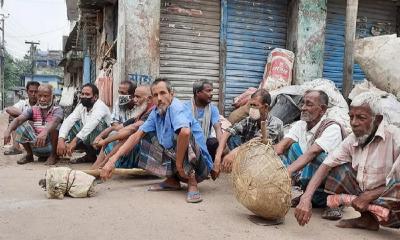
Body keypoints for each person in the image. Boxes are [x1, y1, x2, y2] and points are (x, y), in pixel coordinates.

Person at [295, 92, 400, 231]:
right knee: (337, 169)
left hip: (392, 201)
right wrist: (306, 198)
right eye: (351, 117)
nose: (354, 123)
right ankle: (367, 220)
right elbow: (326, 165)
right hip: (369, 197)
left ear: (378, 119)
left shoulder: (394, 137)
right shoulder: (352, 139)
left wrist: (369, 195)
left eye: (361, 118)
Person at [100, 78, 213, 203]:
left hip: (200, 167)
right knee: (145, 135)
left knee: (181, 132)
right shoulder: (156, 112)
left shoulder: (176, 107)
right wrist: (112, 160)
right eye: (155, 95)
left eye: (163, 93)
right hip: (180, 168)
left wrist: (179, 165)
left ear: (171, 94)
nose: (159, 98)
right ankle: (172, 180)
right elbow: (136, 135)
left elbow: (185, 133)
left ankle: (192, 183)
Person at [274, 90, 346, 220]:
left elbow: (311, 153)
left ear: (322, 109)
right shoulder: (301, 125)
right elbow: (281, 146)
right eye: (303, 104)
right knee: (292, 148)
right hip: (311, 180)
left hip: (329, 184)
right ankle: (307, 195)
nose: (303, 108)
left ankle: (334, 202)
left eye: (309, 104)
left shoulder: (332, 128)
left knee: (318, 157)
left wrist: (284, 173)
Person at [213, 89, 283, 178]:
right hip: (251, 158)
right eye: (251, 105)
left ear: (266, 107)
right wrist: (217, 158)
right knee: (231, 138)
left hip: (268, 163)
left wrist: (235, 152)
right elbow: (228, 131)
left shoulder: (275, 123)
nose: (252, 108)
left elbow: (258, 141)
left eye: (255, 105)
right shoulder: (250, 120)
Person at [92, 84, 154, 169]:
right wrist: (99, 137)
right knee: (116, 135)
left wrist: (105, 141)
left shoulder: (152, 112)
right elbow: (115, 127)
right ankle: (98, 166)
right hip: (139, 147)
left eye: (137, 97)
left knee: (124, 137)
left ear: (149, 99)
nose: (134, 100)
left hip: (151, 154)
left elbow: (132, 129)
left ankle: (102, 166)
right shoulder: (141, 113)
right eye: (134, 96)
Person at [3, 84, 63, 165]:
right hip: (37, 145)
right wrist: (8, 131)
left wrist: (44, 132)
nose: (42, 99)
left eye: (46, 96)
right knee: (21, 125)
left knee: (56, 128)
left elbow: (55, 122)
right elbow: (18, 120)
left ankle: (53, 156)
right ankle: (29, 155)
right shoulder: (33, 109)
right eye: (40, 96)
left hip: (51, 147)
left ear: (52, 97)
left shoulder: (57, 110)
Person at [57, 83, 111, 162]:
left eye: (87, 94)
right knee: (73, 124)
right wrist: (61, 139)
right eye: (82, 94)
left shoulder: (100, 106)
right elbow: (69, 121)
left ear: (95, 97)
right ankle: (90, 155)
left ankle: (101, 156)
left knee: (94, 126)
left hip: (103, 139)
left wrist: (74, 141)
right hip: (88, 139)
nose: (84, 96)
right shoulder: (81, 106)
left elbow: (91, 124)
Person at [92, 81, 137, 150]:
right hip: (121, 131)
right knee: (112, 133)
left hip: (132, 135)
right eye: (119, 92)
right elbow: (113, 122)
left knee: (114, 135)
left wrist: (120, 129)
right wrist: (119, 128)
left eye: (123, 93)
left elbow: (133, 129)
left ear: (133, 95)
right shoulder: (119, 101)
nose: (120, 96)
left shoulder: (138, 106)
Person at [184, 79, 222, 160]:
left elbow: (218, 129)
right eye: (208, 91)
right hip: (189, 143)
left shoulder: (213, 109)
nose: (212, 94)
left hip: (205, 143)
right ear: (198, 93)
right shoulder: (185, 108)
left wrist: (220, 149)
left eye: (212, 91)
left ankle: (209, 167)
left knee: (214, 142)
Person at [4, 81, 40, 155]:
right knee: (14, 117)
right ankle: (16, 147)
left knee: (20, 119)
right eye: (31, 91)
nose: (33, 94)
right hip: (26, 131)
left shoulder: (42, 103)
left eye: (36, 92)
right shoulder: (23, 103)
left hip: (38, 133)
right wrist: (26, 116)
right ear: (27, 92)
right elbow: (9, 109)